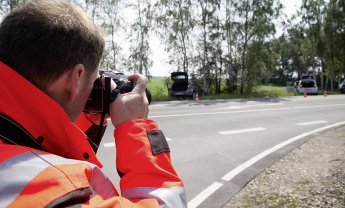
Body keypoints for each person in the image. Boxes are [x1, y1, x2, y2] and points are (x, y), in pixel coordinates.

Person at [0, 0, 187, 207]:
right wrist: (134, 127)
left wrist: (86, 116)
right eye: (93, 80)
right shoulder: (62, 193)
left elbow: (31, 133)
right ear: (77, 78)